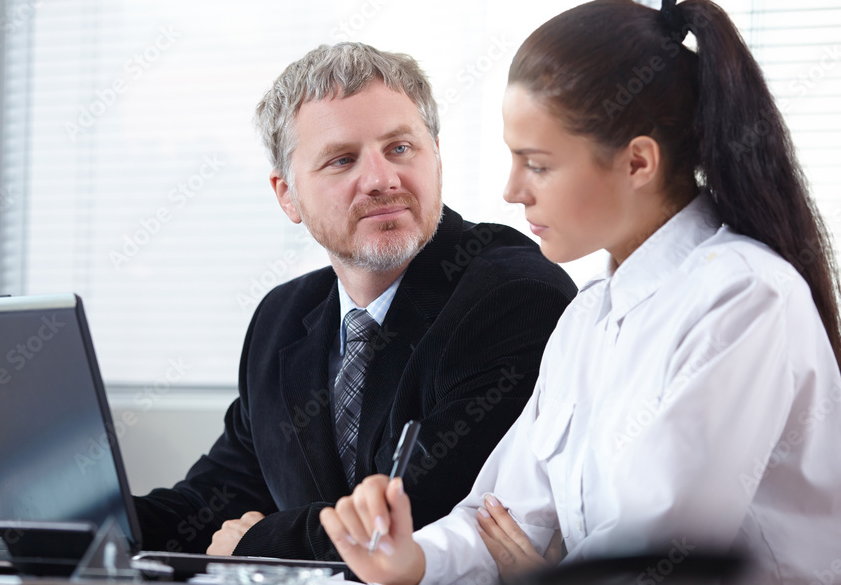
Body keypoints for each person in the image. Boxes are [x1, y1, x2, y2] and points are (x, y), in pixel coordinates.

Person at [319, 0, 841, 584]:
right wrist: (411, 560)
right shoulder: (587, 318)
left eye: (536, 164)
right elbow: (499, 518)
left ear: (638, 162)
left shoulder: (745, 298)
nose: (513, 191)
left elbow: (663, 555)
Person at [132, 43, 578, 561]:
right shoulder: (282, 318)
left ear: (436, 153)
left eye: (400, 149)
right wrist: (74, 522)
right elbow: (214, 500)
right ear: (287, 196)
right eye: (342, 160)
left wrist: (258, 544)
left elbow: (418, 523)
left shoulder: (513, 295)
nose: (381, 179)